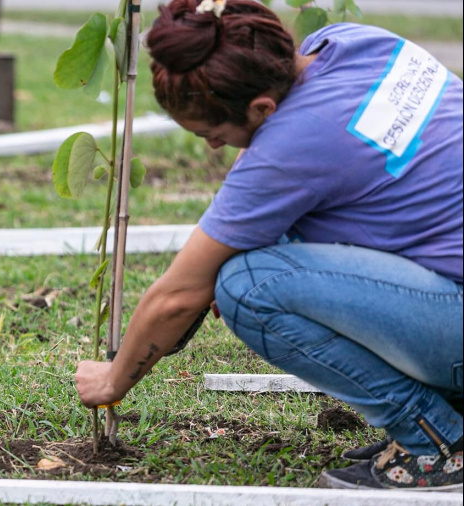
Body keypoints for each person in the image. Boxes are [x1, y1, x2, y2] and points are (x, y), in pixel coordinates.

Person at [73, 0, 463, 492]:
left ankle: (438, 441)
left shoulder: (295, 143)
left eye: (213, 134)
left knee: (249, 286)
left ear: (261, 109)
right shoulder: (353, 44)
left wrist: (112, 381)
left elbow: (178, 296)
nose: (215, 148)